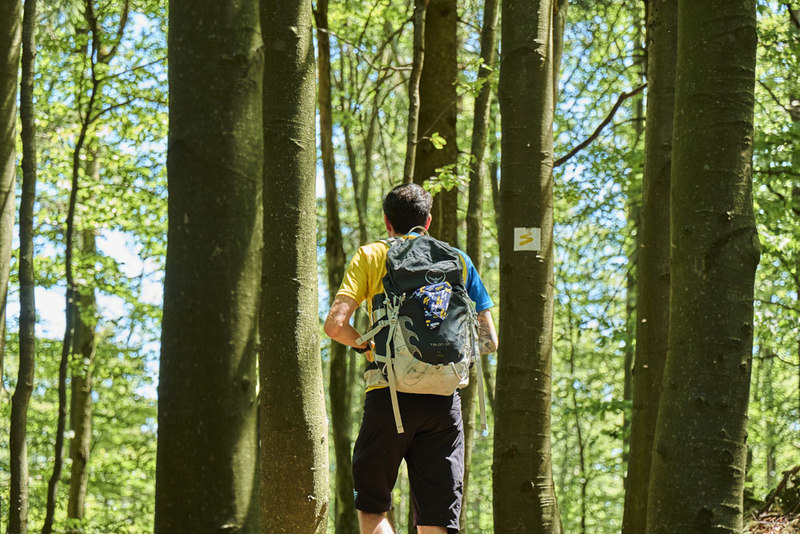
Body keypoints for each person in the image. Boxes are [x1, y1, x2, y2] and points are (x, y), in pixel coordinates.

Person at [324, 183, 498, 534]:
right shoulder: (458, 260)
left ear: (388, 222)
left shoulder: (372, 255)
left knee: (372, 507)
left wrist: (367, 347)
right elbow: (490, 341)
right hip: (443, 404)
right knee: (437, 520)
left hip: (389, 396)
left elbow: (335, 325)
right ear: (428, 221)